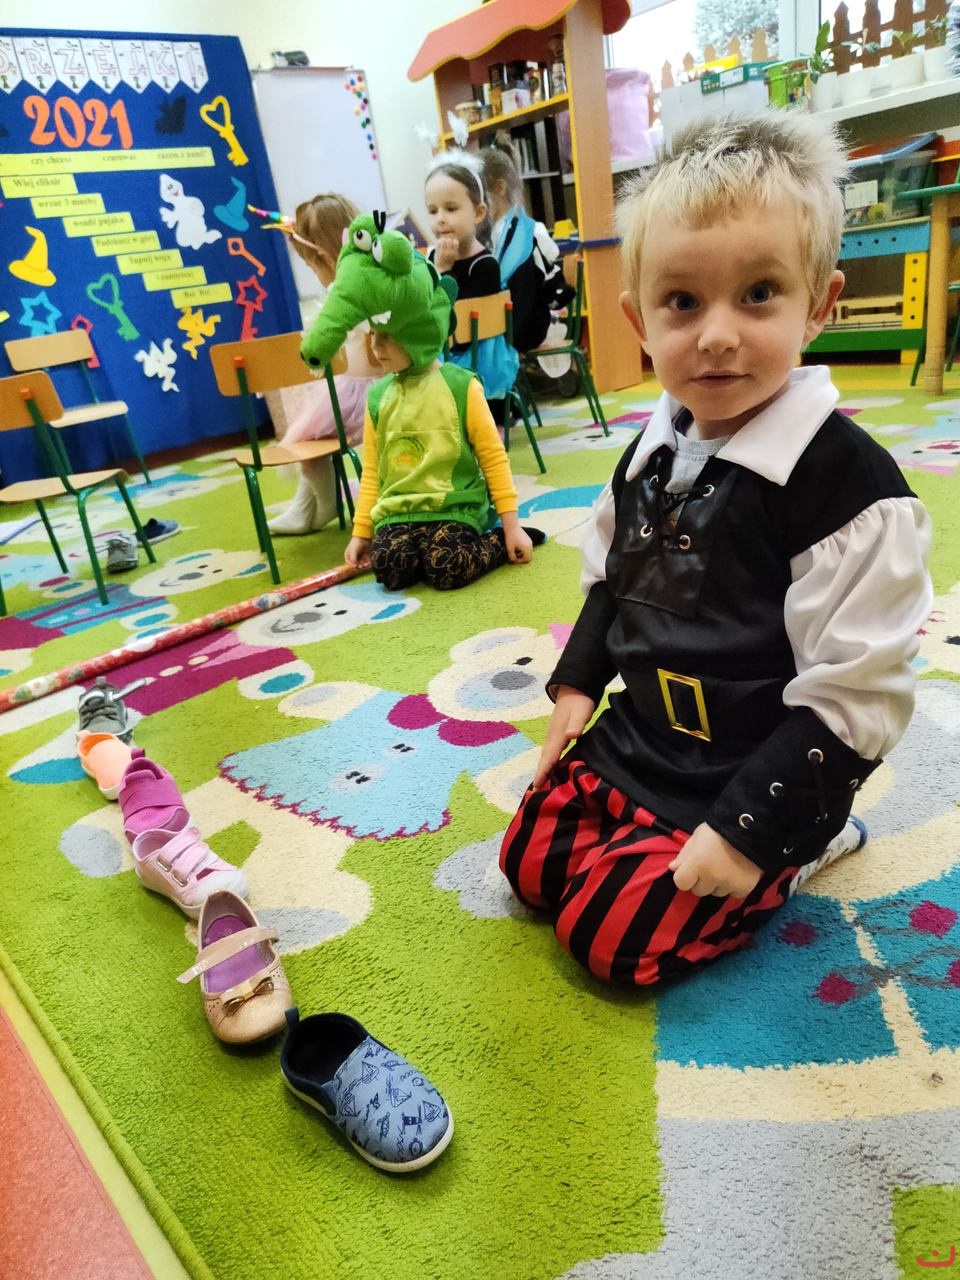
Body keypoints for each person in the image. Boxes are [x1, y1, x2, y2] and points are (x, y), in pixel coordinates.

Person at [498, 111, 933, 987]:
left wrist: (750, 832)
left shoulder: (844, 486)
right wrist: (577, 686)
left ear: (820, 304)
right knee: (528, 862)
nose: (718, 334)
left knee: (607, 935)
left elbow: (857, 696)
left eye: (760, 292)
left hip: (751, 764)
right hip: (642, 738)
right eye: (684, 302)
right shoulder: (651, 449)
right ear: (640, 320)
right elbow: (613, 580)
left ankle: (798, 858)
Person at [299, 211, 542, 591]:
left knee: (447, 567)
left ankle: (492, 542)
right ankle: (420, 550)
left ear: (416, 333)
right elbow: (372, 471)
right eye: (374, 336)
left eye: (388, 337)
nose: (377, 347)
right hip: (399, 512)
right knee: (390, 568)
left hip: (454, 506)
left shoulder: (461, 387)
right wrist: (362, 531)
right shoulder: (379, 396)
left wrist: (511, 526)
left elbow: (493, 457)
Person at [267, 193, 381, 536]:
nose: (314, 274)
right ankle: (305, 507)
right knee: (311, 430)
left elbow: (322, 347)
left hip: (366, 394)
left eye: (311, 266)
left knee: (307, 436)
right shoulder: (377, 275)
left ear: (323, 257)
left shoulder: (344, 293)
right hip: (379, 385)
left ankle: (322, 505)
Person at [424, 151, 518, 409]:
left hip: (477, 361)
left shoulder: (486, 264)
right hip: (444, 353)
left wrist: (443, 271)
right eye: (432, 210)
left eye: (451, 208)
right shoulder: (432, 257)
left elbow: (457, 322)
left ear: (478, 212)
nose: (440, 218)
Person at [480, 132, 573, 354]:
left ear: (500, 187)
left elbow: (543, 285)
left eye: (481, 196)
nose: (477, 205)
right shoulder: (488, 233)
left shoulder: (529, 231)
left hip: (526, 328)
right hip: (503, 324)